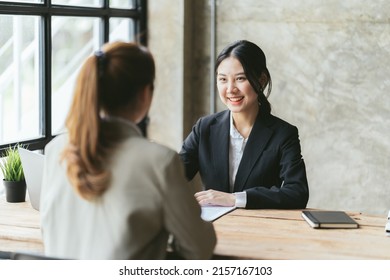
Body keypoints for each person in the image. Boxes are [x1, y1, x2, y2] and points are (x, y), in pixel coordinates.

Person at [40, 41, 216, 260]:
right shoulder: (158, 161)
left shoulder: (56, 149)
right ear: (145, 94)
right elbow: (199, 248)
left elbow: (48, 232)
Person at [180, 40, 309, 209]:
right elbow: (174, 175)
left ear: (261, 80)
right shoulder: (204, 128)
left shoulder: (283, 134)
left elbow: (297, 192)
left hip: (259, 229)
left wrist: (236, 199)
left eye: (240, 78)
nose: (230, 89)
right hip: (213, 229)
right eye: (223, 79)